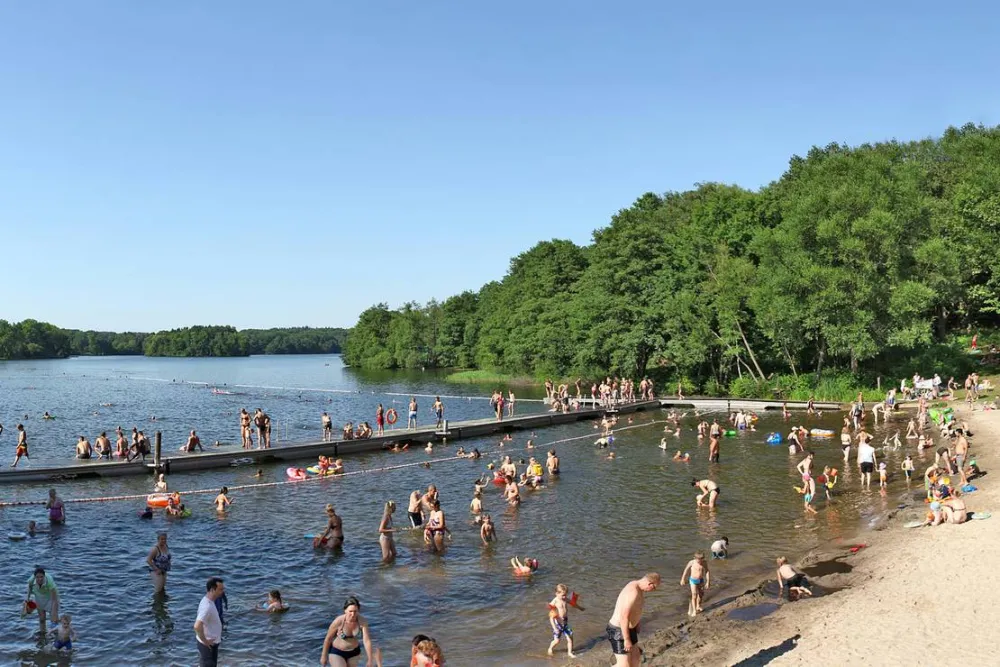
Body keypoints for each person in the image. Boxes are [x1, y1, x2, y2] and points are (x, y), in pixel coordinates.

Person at [606, 574, 660, 667]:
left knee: (635, 659)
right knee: (624, 665)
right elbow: (623, 617)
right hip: (619, 630)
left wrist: (637, 622)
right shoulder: (633, 592)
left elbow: (635, 609)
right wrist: (626, 639)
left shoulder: (638, 587)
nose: (653, 590)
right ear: (650, 584)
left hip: (630, 629)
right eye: (654, 588)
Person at [320, 596, 373, 667]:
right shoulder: (338, 621)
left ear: (358, 610)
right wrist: (324, 656)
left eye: (355, 611)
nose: (353, 614)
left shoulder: (362, 621)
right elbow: (328, 639)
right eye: (350, 611)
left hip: (354, 652)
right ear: (345, 610)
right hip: (337, 652)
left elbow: (366, 641)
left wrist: (370, 659)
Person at [194, 577, 225, 667]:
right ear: (212, 590)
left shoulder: (209, 601)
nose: (222, 592)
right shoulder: (207, 606)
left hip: (210, 644)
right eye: (220, 589)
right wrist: (205, 641)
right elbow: (197, 626)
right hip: (208, 646)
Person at [25, 567, 60, 633]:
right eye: (37, 577)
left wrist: (54, 611)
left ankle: (56, 634)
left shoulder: (49, 581)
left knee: (54, 619)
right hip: (39, 595)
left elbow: (54, 600)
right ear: (35, 577)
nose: (40, 579)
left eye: (41, 577)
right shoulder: (31, 580)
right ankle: (42, 634)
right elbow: (29, 588)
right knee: (42, 618)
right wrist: (27, 600)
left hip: (51, 597)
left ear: (44, 576)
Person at [547, 583, 576, 658]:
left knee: (570, 637)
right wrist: (554, 628)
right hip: (558, 624)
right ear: (557, 593)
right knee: (557, 641)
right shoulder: (554, 602)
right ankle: (550, 648)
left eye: (565, 595)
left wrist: (579, 607)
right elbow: (551, 618)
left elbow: (572, 603)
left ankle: (569, 652)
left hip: (565, 623)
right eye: (563, 595)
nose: (564, 597)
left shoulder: (565, 599)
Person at [680, 552, 710, 616]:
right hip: (693, 580)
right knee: (694, 595)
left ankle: (698, 606)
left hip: (701, 580)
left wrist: (708, 582)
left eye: (701, 559)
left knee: (701, 594)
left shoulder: (704, 563)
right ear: (694, 558)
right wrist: (682, 579)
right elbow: (686, 570)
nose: (700, 560)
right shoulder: (691, 562)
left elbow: (707, 571)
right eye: (698, 559)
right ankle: (694, 610)